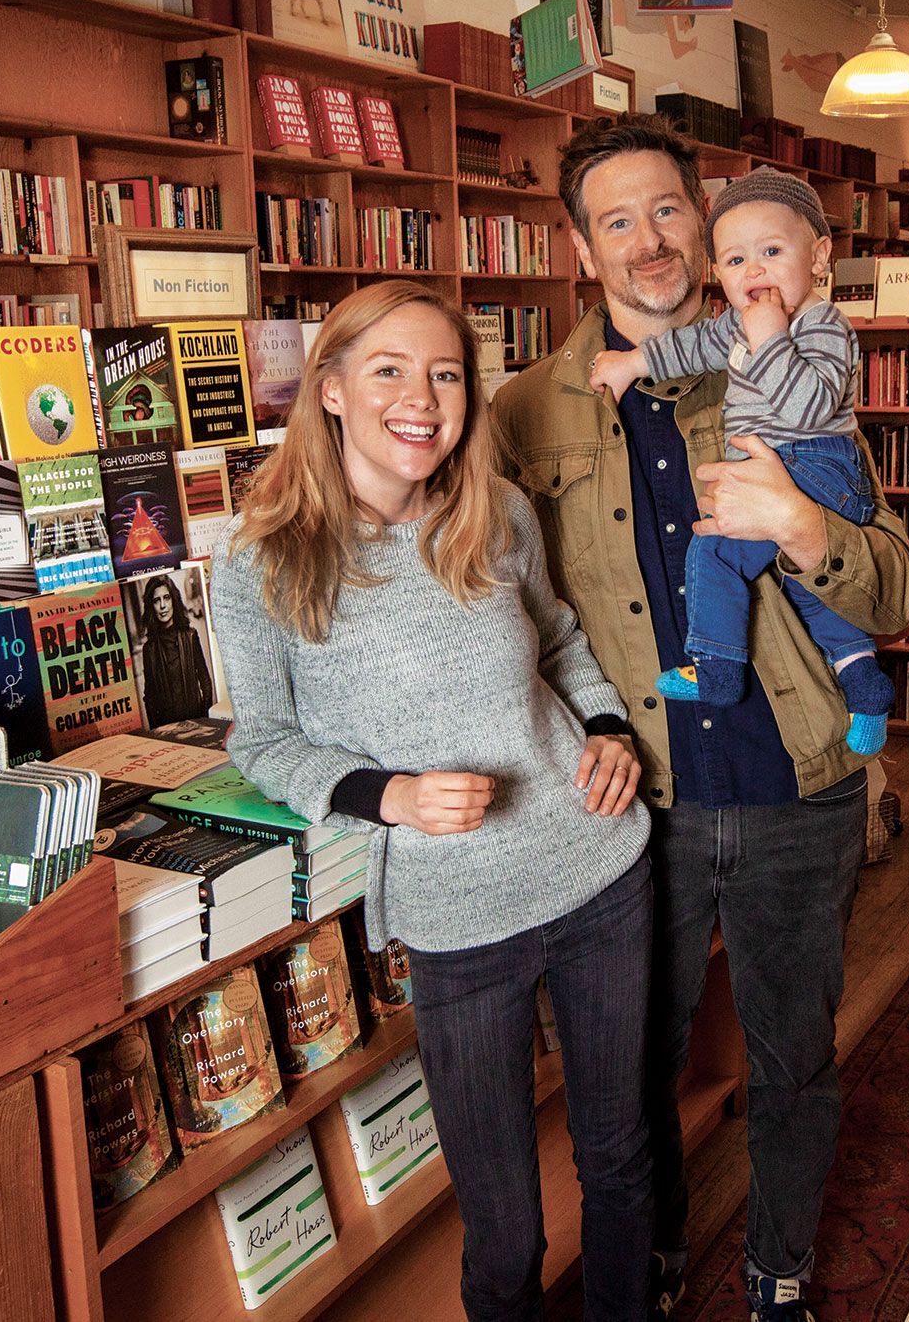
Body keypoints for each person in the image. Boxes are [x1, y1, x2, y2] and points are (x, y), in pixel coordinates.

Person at [493, 115, 909, 1321]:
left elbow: (890, 588)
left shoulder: (790, 367)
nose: (647, 242)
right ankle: (654, 1251)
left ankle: (776, 1268)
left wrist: (803, 529)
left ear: (709, 220)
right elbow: (501, 612)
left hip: (799, 785)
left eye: (667, 211)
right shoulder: (526, 414)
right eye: (615, 220)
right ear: (582, 247)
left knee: (794, 1059)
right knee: (631, 1071)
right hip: (637, 812)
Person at [210, 281, 655, 1321]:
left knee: (621, 1156)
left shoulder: (494, 512)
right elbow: (264, 741)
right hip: (457, 919)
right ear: (327, 390)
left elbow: (558, 641)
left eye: (445, 374)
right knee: (502, 1222)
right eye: (389, 371)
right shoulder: (261, 558)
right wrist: (387, 795)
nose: (422, 398)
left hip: (596, 866)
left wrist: (606, 729)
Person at [588, 167, 894, 755]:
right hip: (775, 465)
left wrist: (770, 336)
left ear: (819, 256)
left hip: (816, 464)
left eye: (772, 251)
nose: (753, 271)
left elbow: (809, 406)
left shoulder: (821, 324)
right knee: (808, 590)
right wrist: (631, 365)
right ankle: (865, 683)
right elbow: (689, 347)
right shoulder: (734, 324)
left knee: (712, 552)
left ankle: (717, 667)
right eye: (733, 261)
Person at [134, 571, 215, 726]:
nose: (163, 606)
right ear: (151, 606)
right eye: (156, 600)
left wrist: (205, 720)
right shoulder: (149, 649)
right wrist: (157, 732)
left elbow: (205, 680)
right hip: (167, 728)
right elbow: (149, 698)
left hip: (196, 721)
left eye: (166, 598)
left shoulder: (190, 636)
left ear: (174, 600)